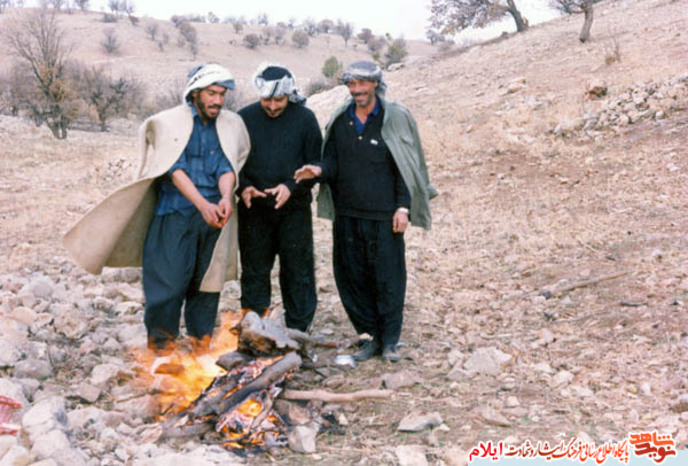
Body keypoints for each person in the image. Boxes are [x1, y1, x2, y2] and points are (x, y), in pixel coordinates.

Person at [63, 63, 250, 366]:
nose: (217, 100)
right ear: (195, 92)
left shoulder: (231, 125)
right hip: (175, 213)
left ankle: (201, 349)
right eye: (211, 93)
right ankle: (162, 352)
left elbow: (227, 166)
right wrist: (202, 204)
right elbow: (173, 169)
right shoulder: (169, 123)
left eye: (222, 94)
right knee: (168, 283)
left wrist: (226, 198)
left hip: (215, 218)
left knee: (206, 285)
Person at [295, 61, 436, 362]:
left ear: (375, 84)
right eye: (351, 84)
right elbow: (332, 162)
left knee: (388, 279)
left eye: (362, 84)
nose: (356, 90)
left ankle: (390, 341)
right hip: (347, 214)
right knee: (352, 279)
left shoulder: (393, 117)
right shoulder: (341, 119)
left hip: (384, 216)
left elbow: (405, 166)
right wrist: (318, 170)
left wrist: (403, 207)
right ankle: (369, 337)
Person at [237, 64, 322, 331]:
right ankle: (254, 331)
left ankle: (298, 331)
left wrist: (291, 186)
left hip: (294, 211)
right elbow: (232, 164)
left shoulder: (305, 119)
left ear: (289, 95)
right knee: (254, 272)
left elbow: (317, 165)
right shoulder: (244, 118)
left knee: (298, 272)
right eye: (267, 100)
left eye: (279, 100)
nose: (273, 106)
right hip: (254, 211)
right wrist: (243, 187)